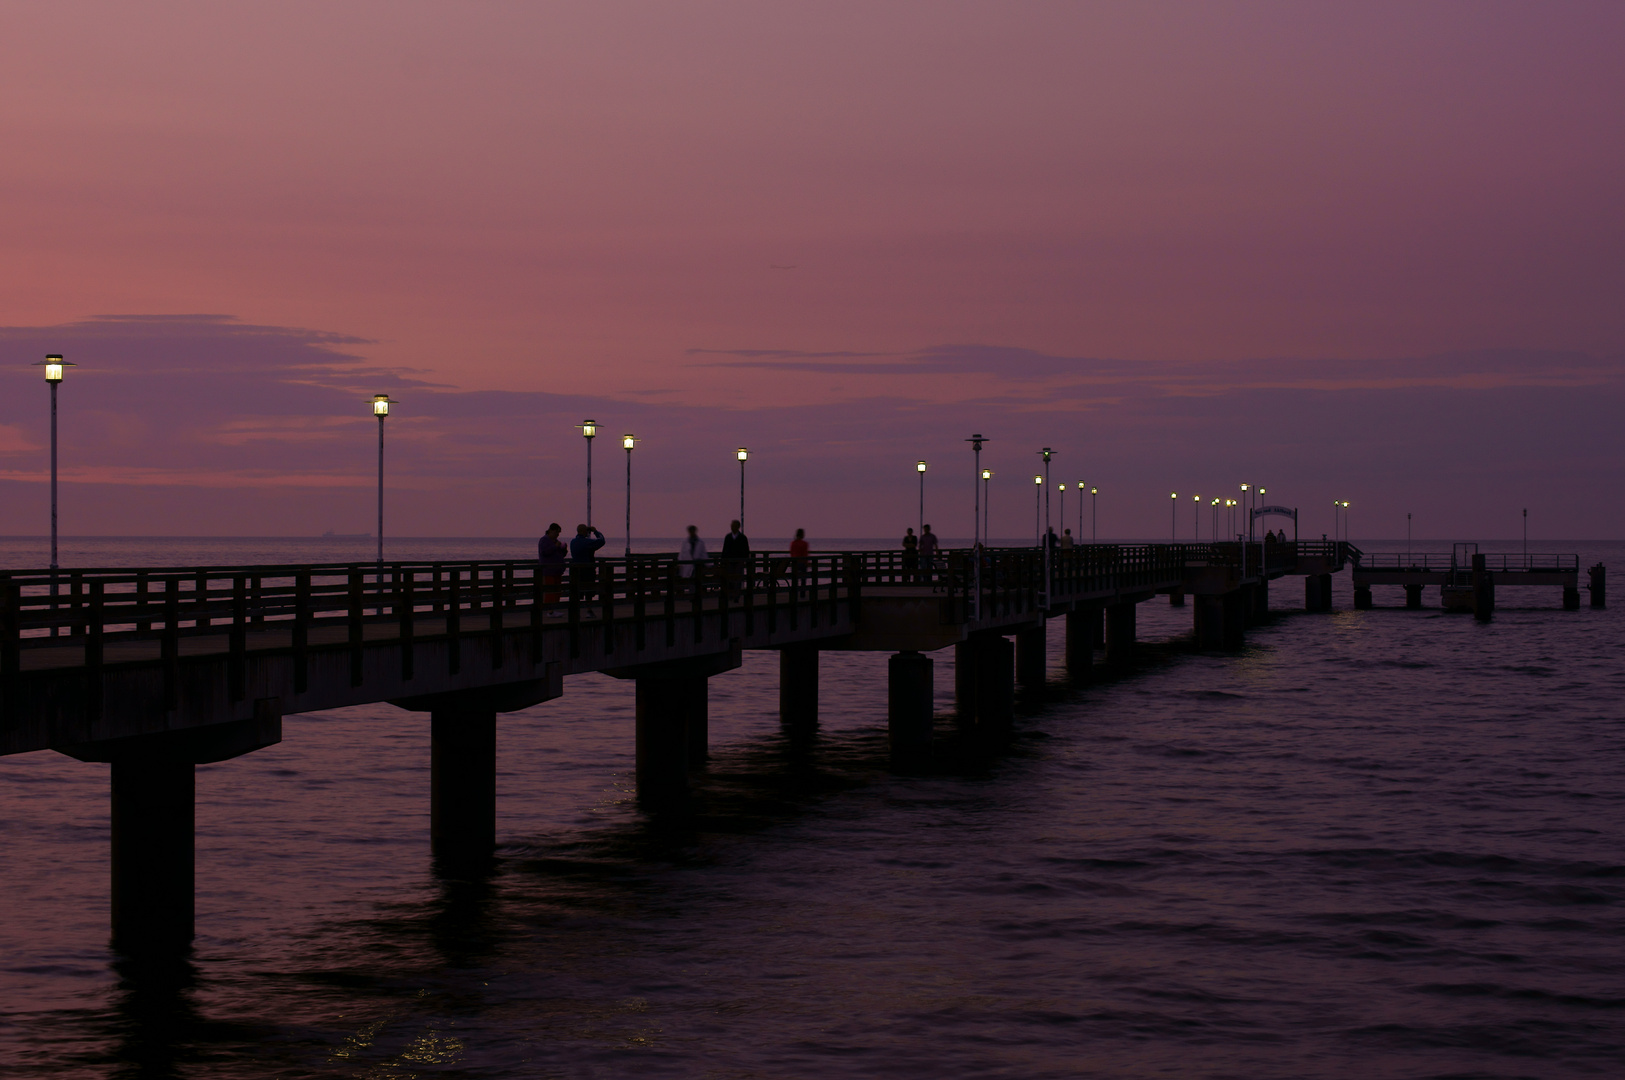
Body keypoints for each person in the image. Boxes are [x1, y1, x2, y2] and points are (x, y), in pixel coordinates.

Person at [569, 523, 605, 611]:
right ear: (583, 531)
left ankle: (575, 610)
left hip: (576, 570)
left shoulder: (572, 542)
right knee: (589, 591)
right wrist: (595, 531)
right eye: (586, 531)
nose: (587, 532)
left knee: (577, 591)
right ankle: (589, 610)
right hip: (587, 570)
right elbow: (602, 541)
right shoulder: (587, 542)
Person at [537, 522, 567, 607]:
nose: (557, 534)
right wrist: (555, 546)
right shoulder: (544, 540)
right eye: (556, 532)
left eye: (558, 533)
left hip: (557, 570)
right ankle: (549, 610)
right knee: (549, 591)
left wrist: (564, 549)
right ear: (550, 530)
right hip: (548, 571)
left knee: (557, 590)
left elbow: (561, 555)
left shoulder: (556, 541)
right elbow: (544, 552)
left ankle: (555, 608)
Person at [721, 520, 750, 596]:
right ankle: (730, 594)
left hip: (739, 561)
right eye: (731, 525)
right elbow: (724, 550)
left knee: (737, 578)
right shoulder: (728, 537)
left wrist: (743, 559)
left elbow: (746, 550)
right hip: (729, 561)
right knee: (729, 578)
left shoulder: (743, 538)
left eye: (734, 526)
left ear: (738, 527)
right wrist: (723, 560)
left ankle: (736, 595)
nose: (732, 527)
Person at [679, 525, 709, 594]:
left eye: (693, 531)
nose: (691, 532)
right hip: (688, 563)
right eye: (690, 531)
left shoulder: (700, 542)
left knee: (697, 579)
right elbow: (682, 554)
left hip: (697, 564)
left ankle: (695, 594)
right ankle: (692, 594)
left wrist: (708, 564)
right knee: (690, 579)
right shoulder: (685, 542)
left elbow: (703, 553)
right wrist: (680, 563)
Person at [789, 528, 810, 596]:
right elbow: (805, 554)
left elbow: (791, 553)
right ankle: (802, 593)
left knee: (795, 579)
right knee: (803, 579)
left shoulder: (793, 543)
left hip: (794, 562)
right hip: (802, 563)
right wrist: (807, 563)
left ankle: (794, 593)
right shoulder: (804, 543)